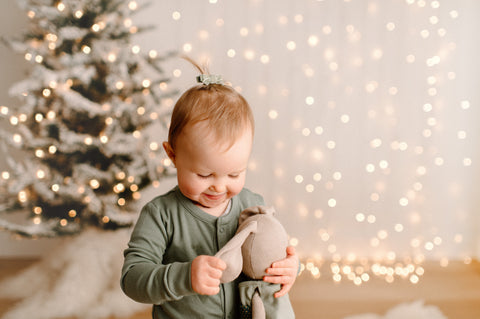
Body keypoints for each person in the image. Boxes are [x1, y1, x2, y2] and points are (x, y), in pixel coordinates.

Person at [121, 59, 299, 318]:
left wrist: (290, 267)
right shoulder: (161, 214)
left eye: (234, 173)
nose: (219, 186)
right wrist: (184, 276)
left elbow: (270, 252)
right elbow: (132, 278)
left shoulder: (252, 205)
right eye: (204, 174)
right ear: (172, 155)